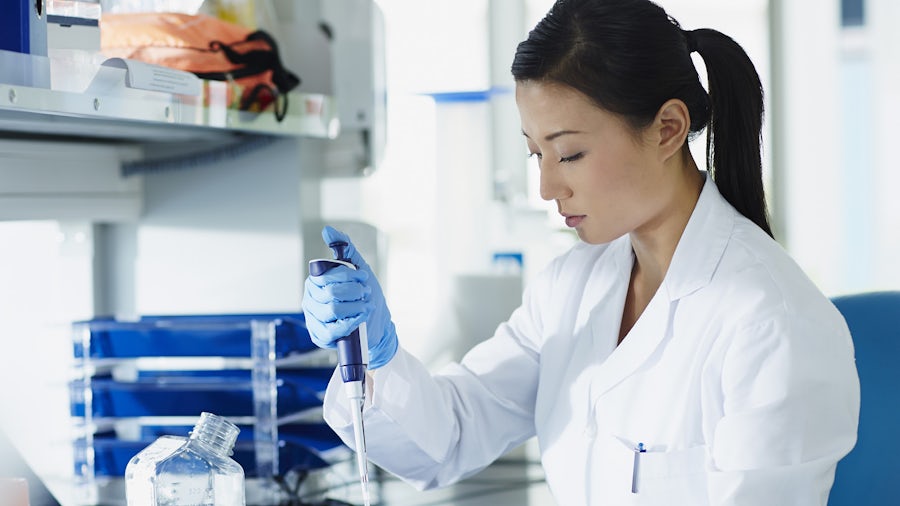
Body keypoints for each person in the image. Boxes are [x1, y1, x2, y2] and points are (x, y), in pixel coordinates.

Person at [301, 0, 860, 503]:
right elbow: (452, 435)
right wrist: (377, 357)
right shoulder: (571, 286)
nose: (547, 188)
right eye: (534, 154)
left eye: (568, 155)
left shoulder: (770, 323)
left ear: (668, 129)